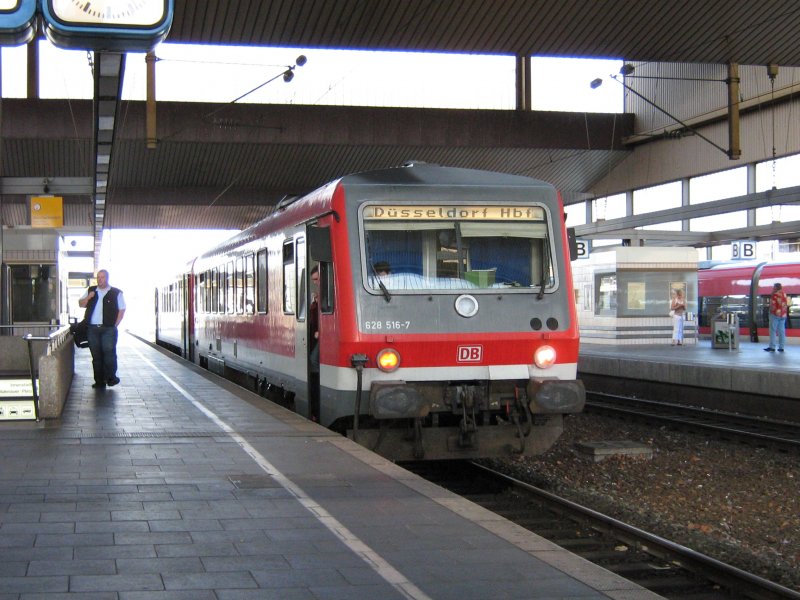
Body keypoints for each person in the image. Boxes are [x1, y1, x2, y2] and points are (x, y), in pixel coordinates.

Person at [78, 269, 126, 388]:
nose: (100, 279)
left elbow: (122, 309)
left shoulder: (116, 292)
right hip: (92, 329)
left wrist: (115, 324)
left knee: (109, 353)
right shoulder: (91, 290)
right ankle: (99, 381)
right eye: (98, 277)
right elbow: (81, 304)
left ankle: (111, 378)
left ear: (107, 278)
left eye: (102, 277)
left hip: (108, 329)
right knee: (96, 356)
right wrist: (89, 297)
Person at [765, 282, 788, 352]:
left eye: (773, 287)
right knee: (781, 331)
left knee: (773, 331)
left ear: (775, 287)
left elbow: (773, 306)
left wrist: (770, 311)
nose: (773, 288)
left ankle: (772, 347)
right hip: (783, 315)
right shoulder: (784, 294)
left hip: (775, 315)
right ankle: (781, 347)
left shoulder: (775, 295)